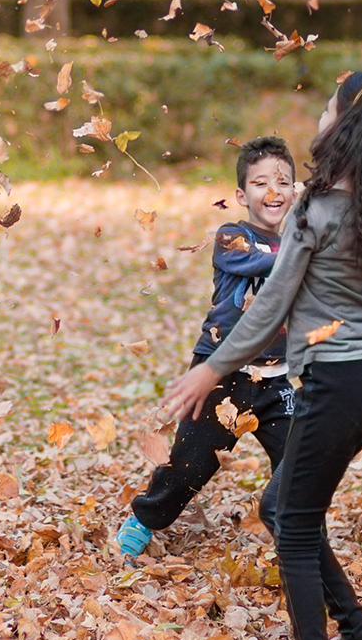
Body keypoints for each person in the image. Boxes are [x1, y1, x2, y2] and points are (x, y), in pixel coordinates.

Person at [160, 72, 362, 640]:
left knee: (290, 517)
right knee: (284, 508)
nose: (316, 116)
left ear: (344, 126)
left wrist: (211, 368)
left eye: (325, 107)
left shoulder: (315, 210)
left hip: (339, 379)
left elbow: (268, 307)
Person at [117, 136, 299, 560]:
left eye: (283, 183)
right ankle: (146, 518)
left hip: (276, 380)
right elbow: (270, 261)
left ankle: (296, 531)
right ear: (241, 195)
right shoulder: (232, 237)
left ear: (294, 193)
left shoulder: (298, 242)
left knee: (301, 459)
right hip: (221, 376)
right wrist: (307, 242)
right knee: (188, 468)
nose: (272, 191)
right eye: (259, 183)